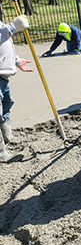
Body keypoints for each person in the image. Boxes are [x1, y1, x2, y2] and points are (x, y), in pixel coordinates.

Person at [0, 15, 33, 161]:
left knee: (7, 104)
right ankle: (1, 152)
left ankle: (6, 134)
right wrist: (11, 28)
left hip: (3, 76)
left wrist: (16, 60)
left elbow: (5, 46)